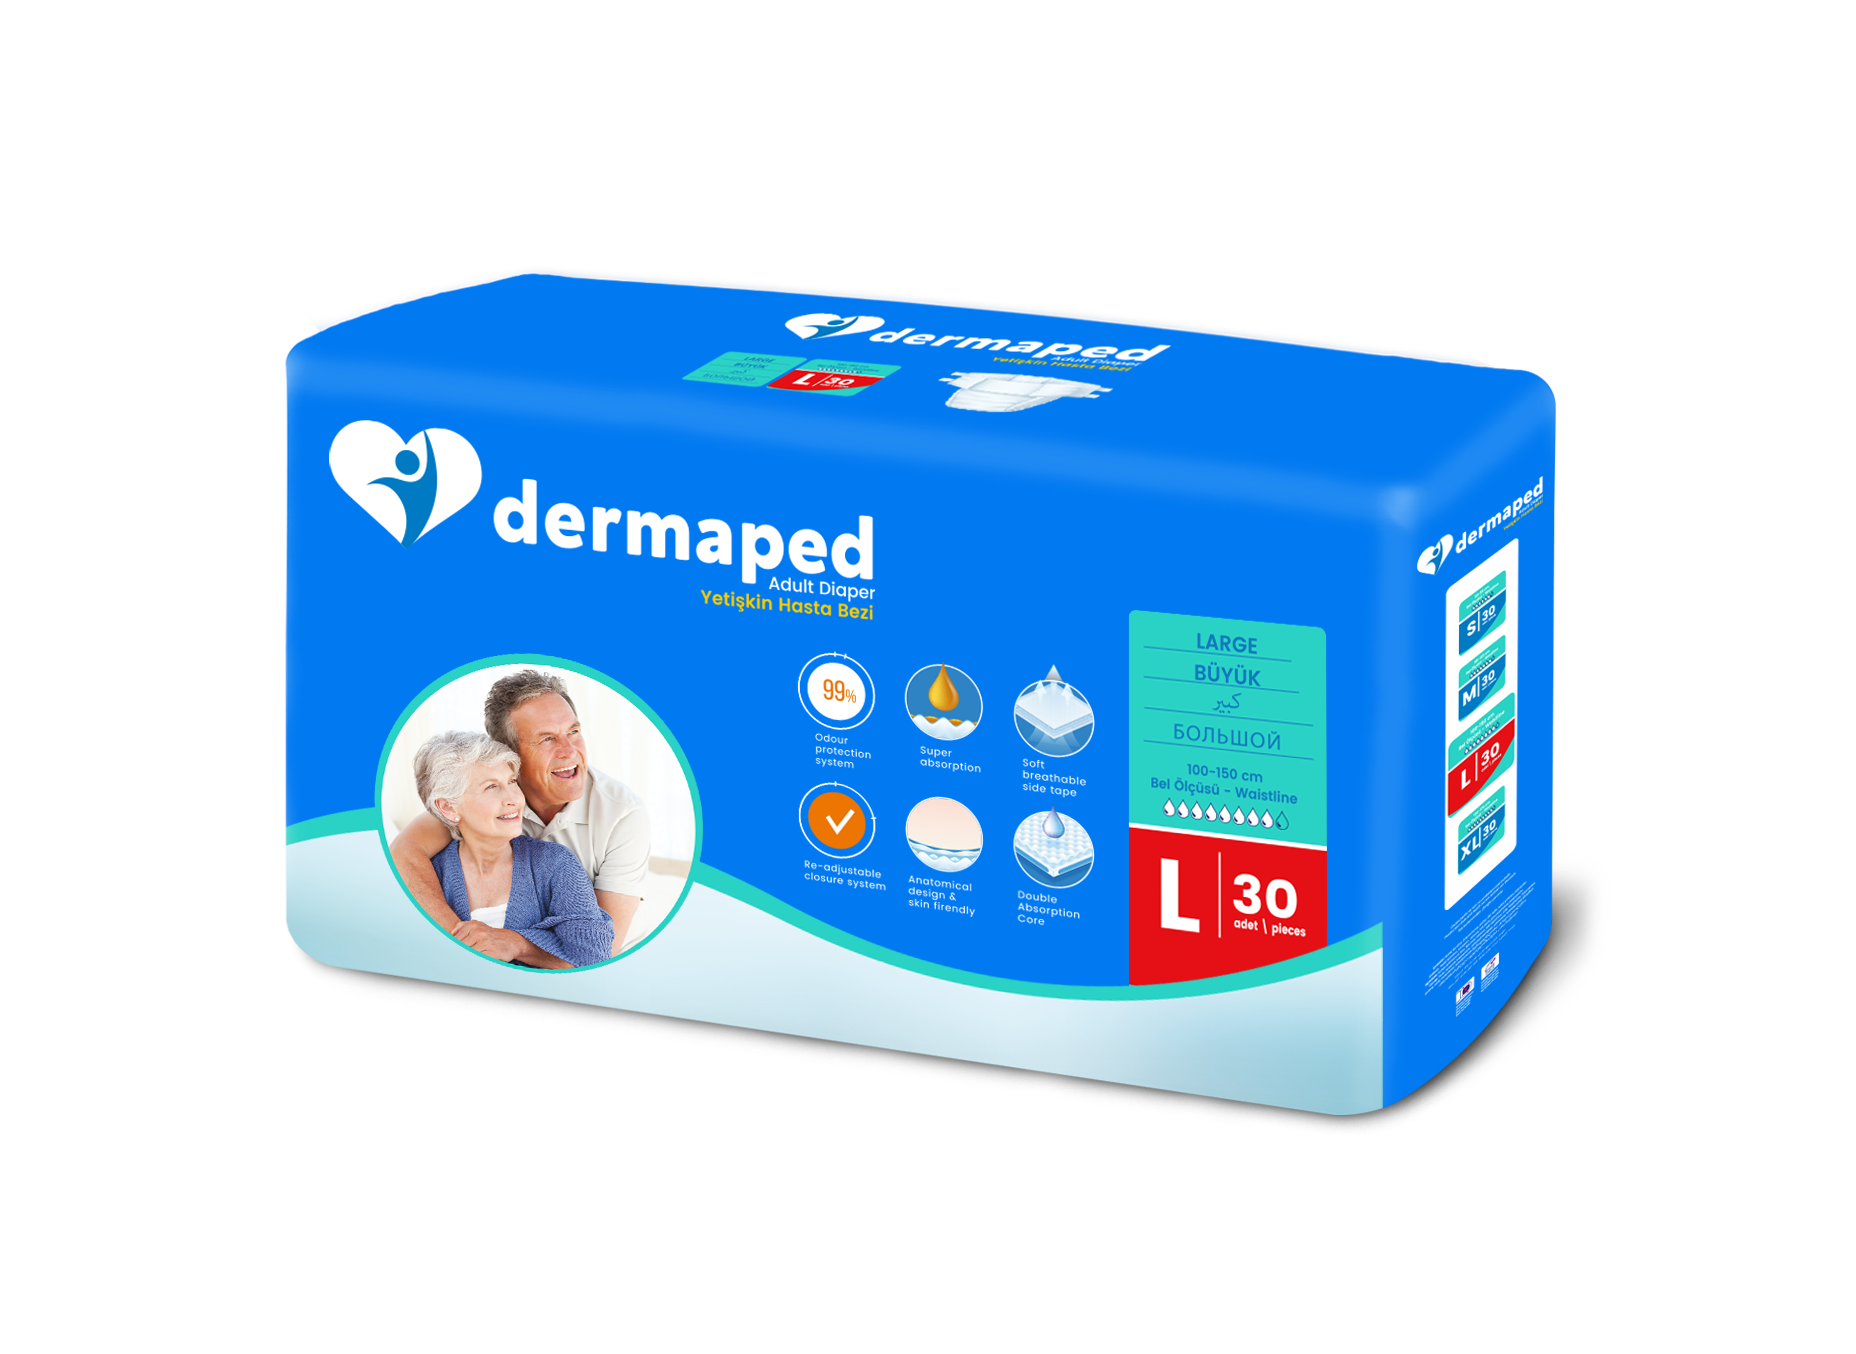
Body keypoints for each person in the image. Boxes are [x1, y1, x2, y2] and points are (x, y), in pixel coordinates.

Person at [392, 669, 652, 955]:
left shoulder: (623, 814)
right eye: (547, 739)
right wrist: (465, 942)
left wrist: (513, 944)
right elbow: (405, 851)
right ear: (508, 753)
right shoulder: (480, 800)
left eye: (573, 731)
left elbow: (599, 949)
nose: (569, 750)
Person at [411, 730, 613, 967]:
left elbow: (595, 958)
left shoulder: (556, 864)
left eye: (511, 781)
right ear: (448, 808)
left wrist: (519, 944)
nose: (514, 799)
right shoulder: (431, 876)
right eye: (491, 787)